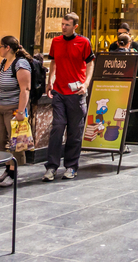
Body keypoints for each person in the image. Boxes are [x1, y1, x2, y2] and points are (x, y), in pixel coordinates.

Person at [44, 13, 94, 182]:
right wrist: (50, 80)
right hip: (59, 91)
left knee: (74, 132)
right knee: (57, 128)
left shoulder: (84, 42)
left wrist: (86, 84)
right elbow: (54, 62)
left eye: (67, 24)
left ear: (75, 26)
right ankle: (51, 167)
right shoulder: (56, 42)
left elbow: (90, 63)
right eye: (62, 24)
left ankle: (71, 166)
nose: (63, 27)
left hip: (76, 93)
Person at [0, 35, 33, 187]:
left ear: (7, 48)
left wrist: (21, 112)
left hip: (14, 109)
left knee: (15, 142)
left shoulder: (20, 63)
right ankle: (6, 168)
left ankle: (13, 172)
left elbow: (25, 89)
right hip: (0, 107)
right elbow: (0, 85)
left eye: (0, 47)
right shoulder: (4, 62)